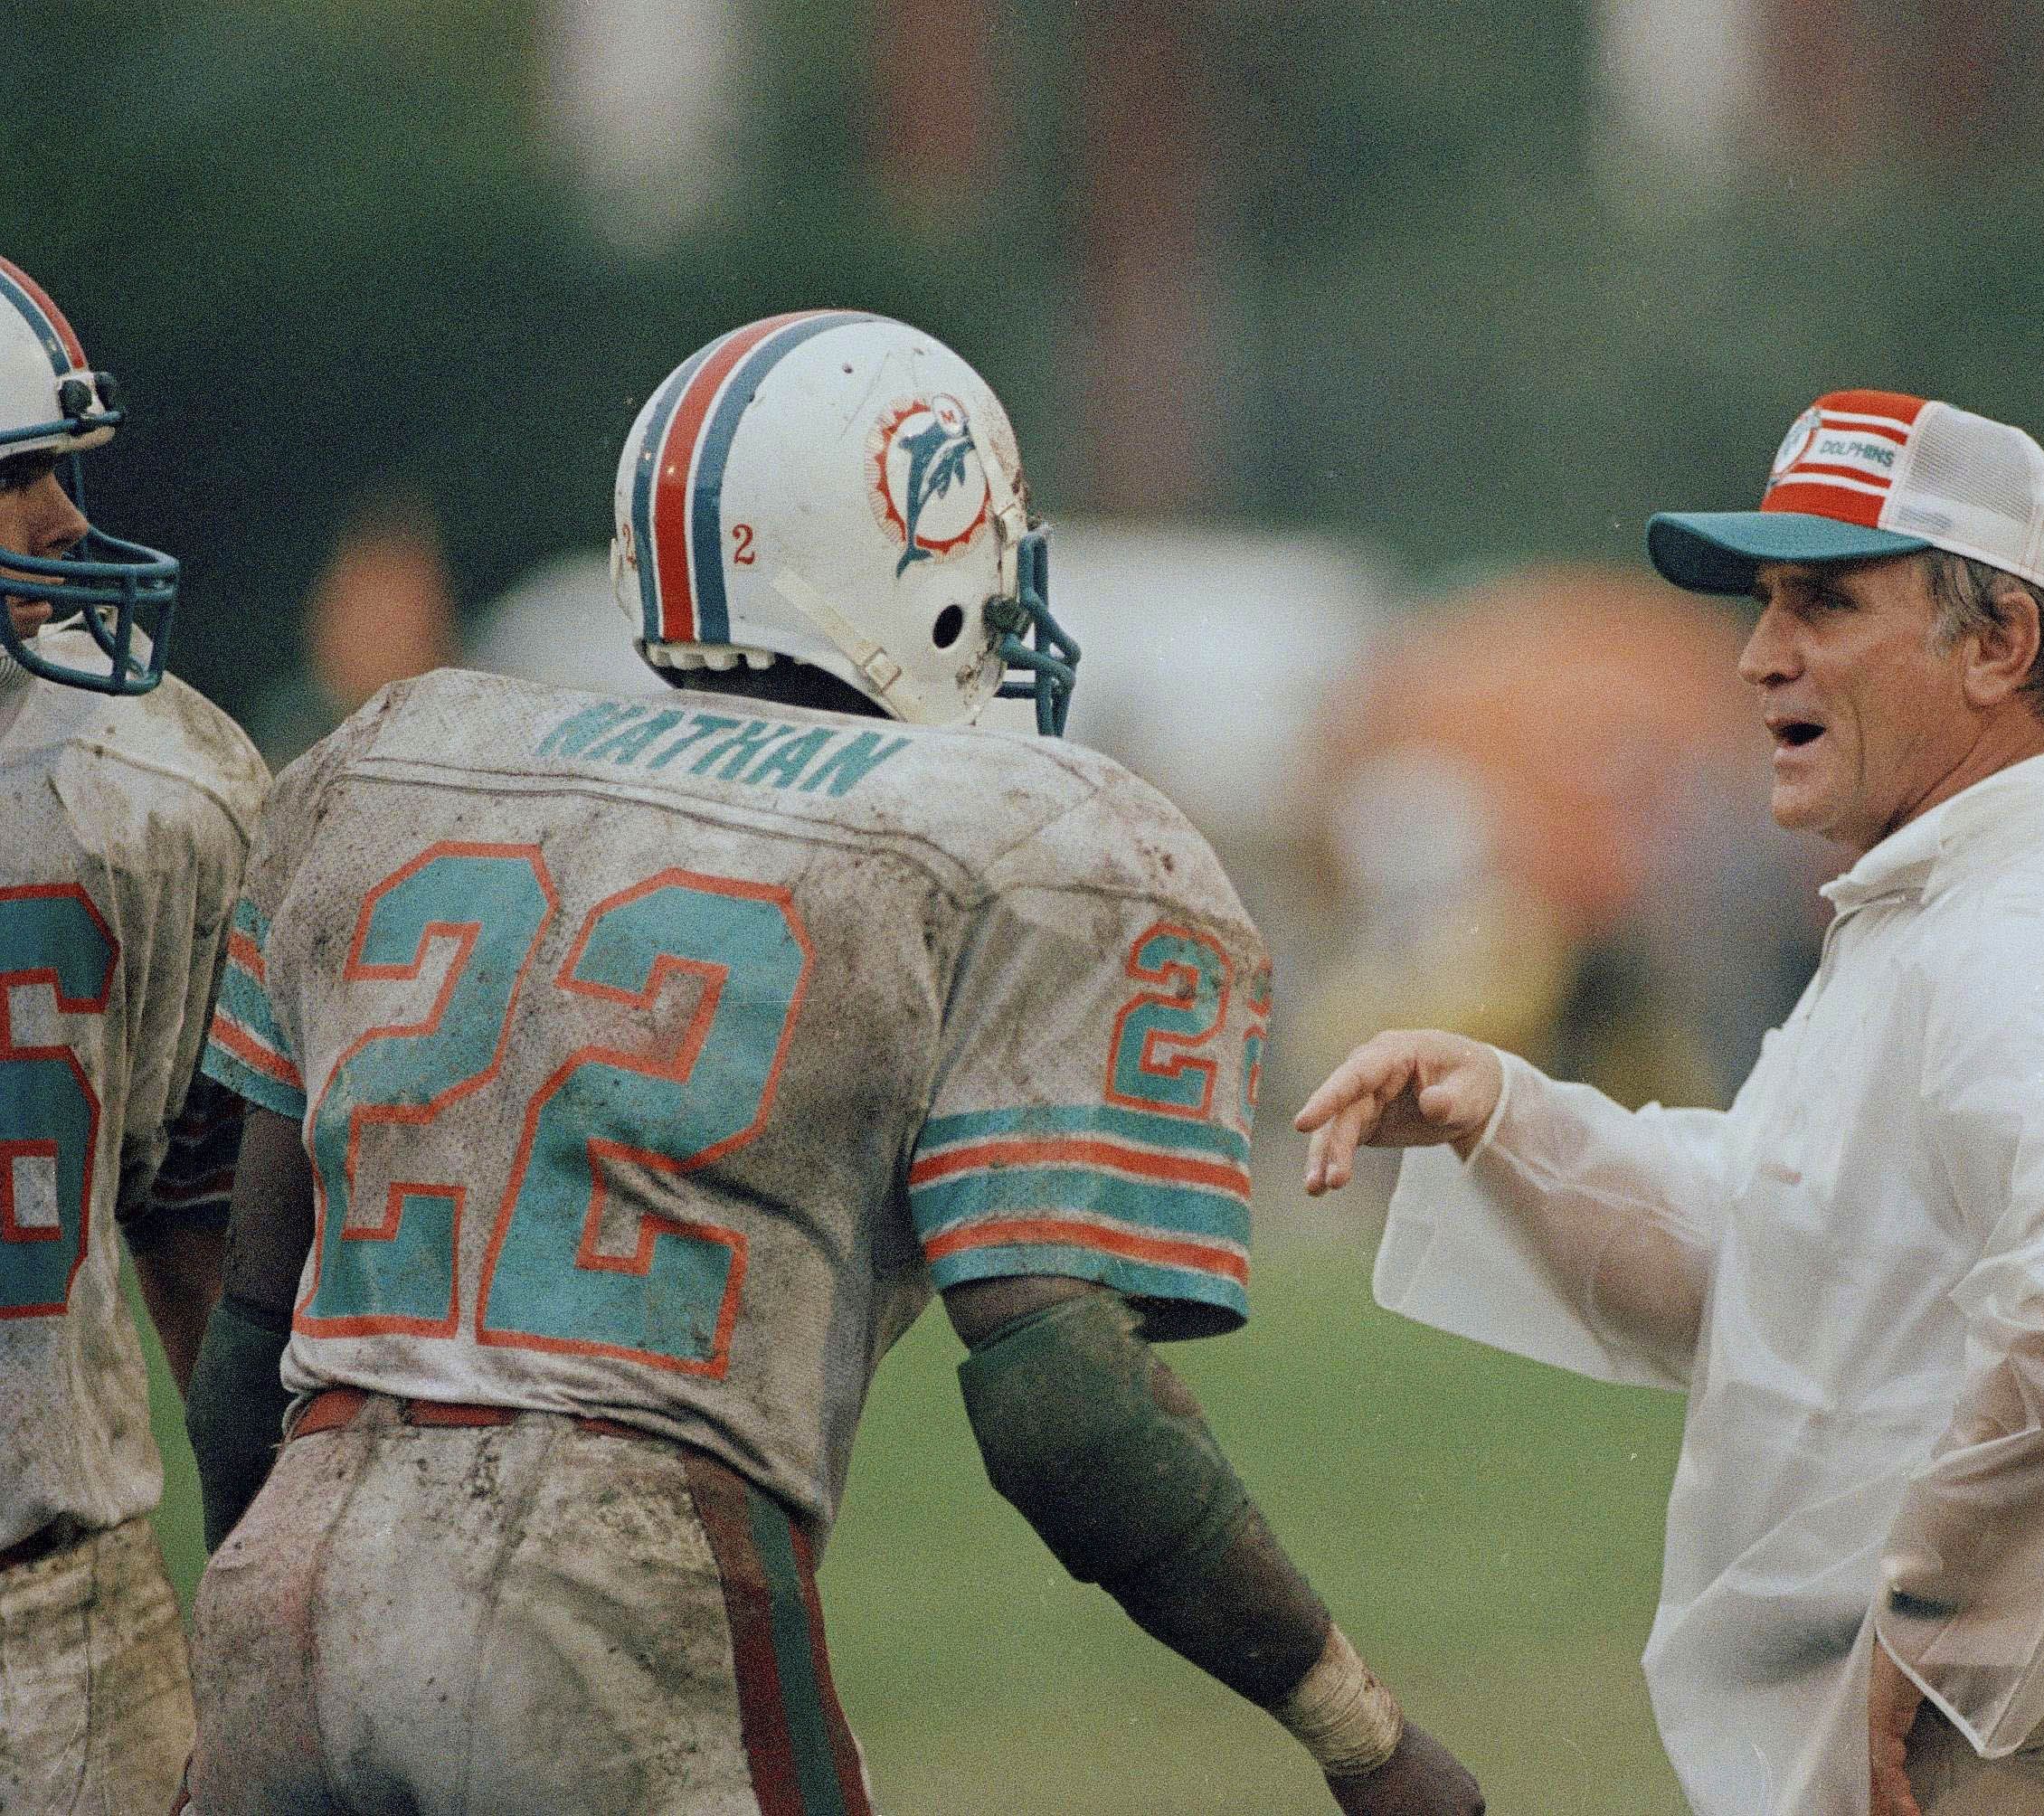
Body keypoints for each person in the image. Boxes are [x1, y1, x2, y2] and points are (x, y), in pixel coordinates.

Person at [178, 311, 1481, 1814]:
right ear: (921, 553)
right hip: (617, 1579)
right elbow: (1072, 1410)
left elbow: (249, 1324)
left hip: (286, 1572)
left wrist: (264, 1639)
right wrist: (1361, 1737)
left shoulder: (397, 758)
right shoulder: (1015, 834)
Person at [1301, 390, 2044, 1814]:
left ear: (1997, 642)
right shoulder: (1952, 902)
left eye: (1822, 603)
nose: (1757, 657)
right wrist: (1508, 1114)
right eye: (1763, 603)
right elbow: (1786, 1279)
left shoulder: (2029, 924)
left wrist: (1935, 1633)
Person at [0, 254, 269, 1815]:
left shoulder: (137, 791)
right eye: (16, 476)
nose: (64, 523)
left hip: (53, 1606)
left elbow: (197, 1216)